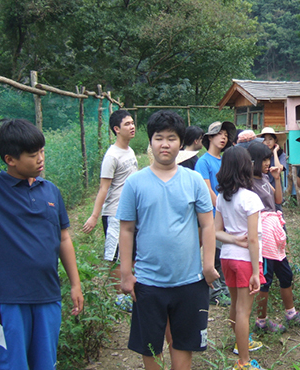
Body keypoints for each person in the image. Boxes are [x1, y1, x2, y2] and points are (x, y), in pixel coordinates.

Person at [117, 110, 219, 370]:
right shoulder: (135, 183)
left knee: (184, 343)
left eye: (171, 138)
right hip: (148, 282)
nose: (165, 144)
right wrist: (126, 273)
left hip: (189, 281)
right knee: (150, 346)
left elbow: (207, 224)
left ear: (180, 142)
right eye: (158, 138)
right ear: (150, 142)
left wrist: (208, 266)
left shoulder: (194, 180)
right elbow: (127, 230)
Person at [0, 119, 84, 369]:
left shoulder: (50, 191)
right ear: (10, 160)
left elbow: (64, 237)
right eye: (33, 155)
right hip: (7, 299)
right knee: (13, 364)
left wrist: (75, 284)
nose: (41, 158)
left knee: (45, 363)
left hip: (47, 295)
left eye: (42, 151)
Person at [246, 143, 300, 334]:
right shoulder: (248, 183)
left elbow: (278, 201)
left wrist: (276, 179)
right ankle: (261, 321)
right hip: (262, 237)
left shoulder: (264, 178)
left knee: (286, 274)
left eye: (268, 159)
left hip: (274, 234)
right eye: (264, 159)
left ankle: (291, 313)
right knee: (265, 280)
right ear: (253, 161)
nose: (268, 163)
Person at [215, 146, 266, 370]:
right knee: (245, 312)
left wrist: (233, 240)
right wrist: (256, 272)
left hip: (227, 257)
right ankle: (244, 361)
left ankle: (239, 343)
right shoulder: (250, 198)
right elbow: (253, 240)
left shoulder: (221, 197)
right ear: (246, 167)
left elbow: (216, 231)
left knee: (236, 305)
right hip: (246, 260)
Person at [82, 109, 138, 311]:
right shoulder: (111, 156)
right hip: (115, 213)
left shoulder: (129, 151)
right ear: (116, 129)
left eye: (132, 123)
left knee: (130, 253)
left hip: (131, 212)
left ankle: (130, 291)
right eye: (127, 124)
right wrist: (94, 216)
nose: (132, 127)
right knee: (116, 256)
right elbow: (104, 188)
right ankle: (119, 298)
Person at [195, 120, 237, 307]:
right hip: (212, 215)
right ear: (210, 137)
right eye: (220, 134)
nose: (223, 138)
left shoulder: (226, 160)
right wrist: (222, 209)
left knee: (224, 252)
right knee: (214, 254)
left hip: (227, 213)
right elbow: (206, 189)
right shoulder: (203, 162)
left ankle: (224, 288)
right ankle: (215, 292)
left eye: (226, 136)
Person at [257, 127, 287, 191]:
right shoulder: (258, 154)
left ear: (275, 140)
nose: (267, 142)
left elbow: (279, 169)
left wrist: (275, 152)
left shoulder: (281, 154)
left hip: (276, 187)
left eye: (270, 139)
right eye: (265, 140)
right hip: (262, 187)